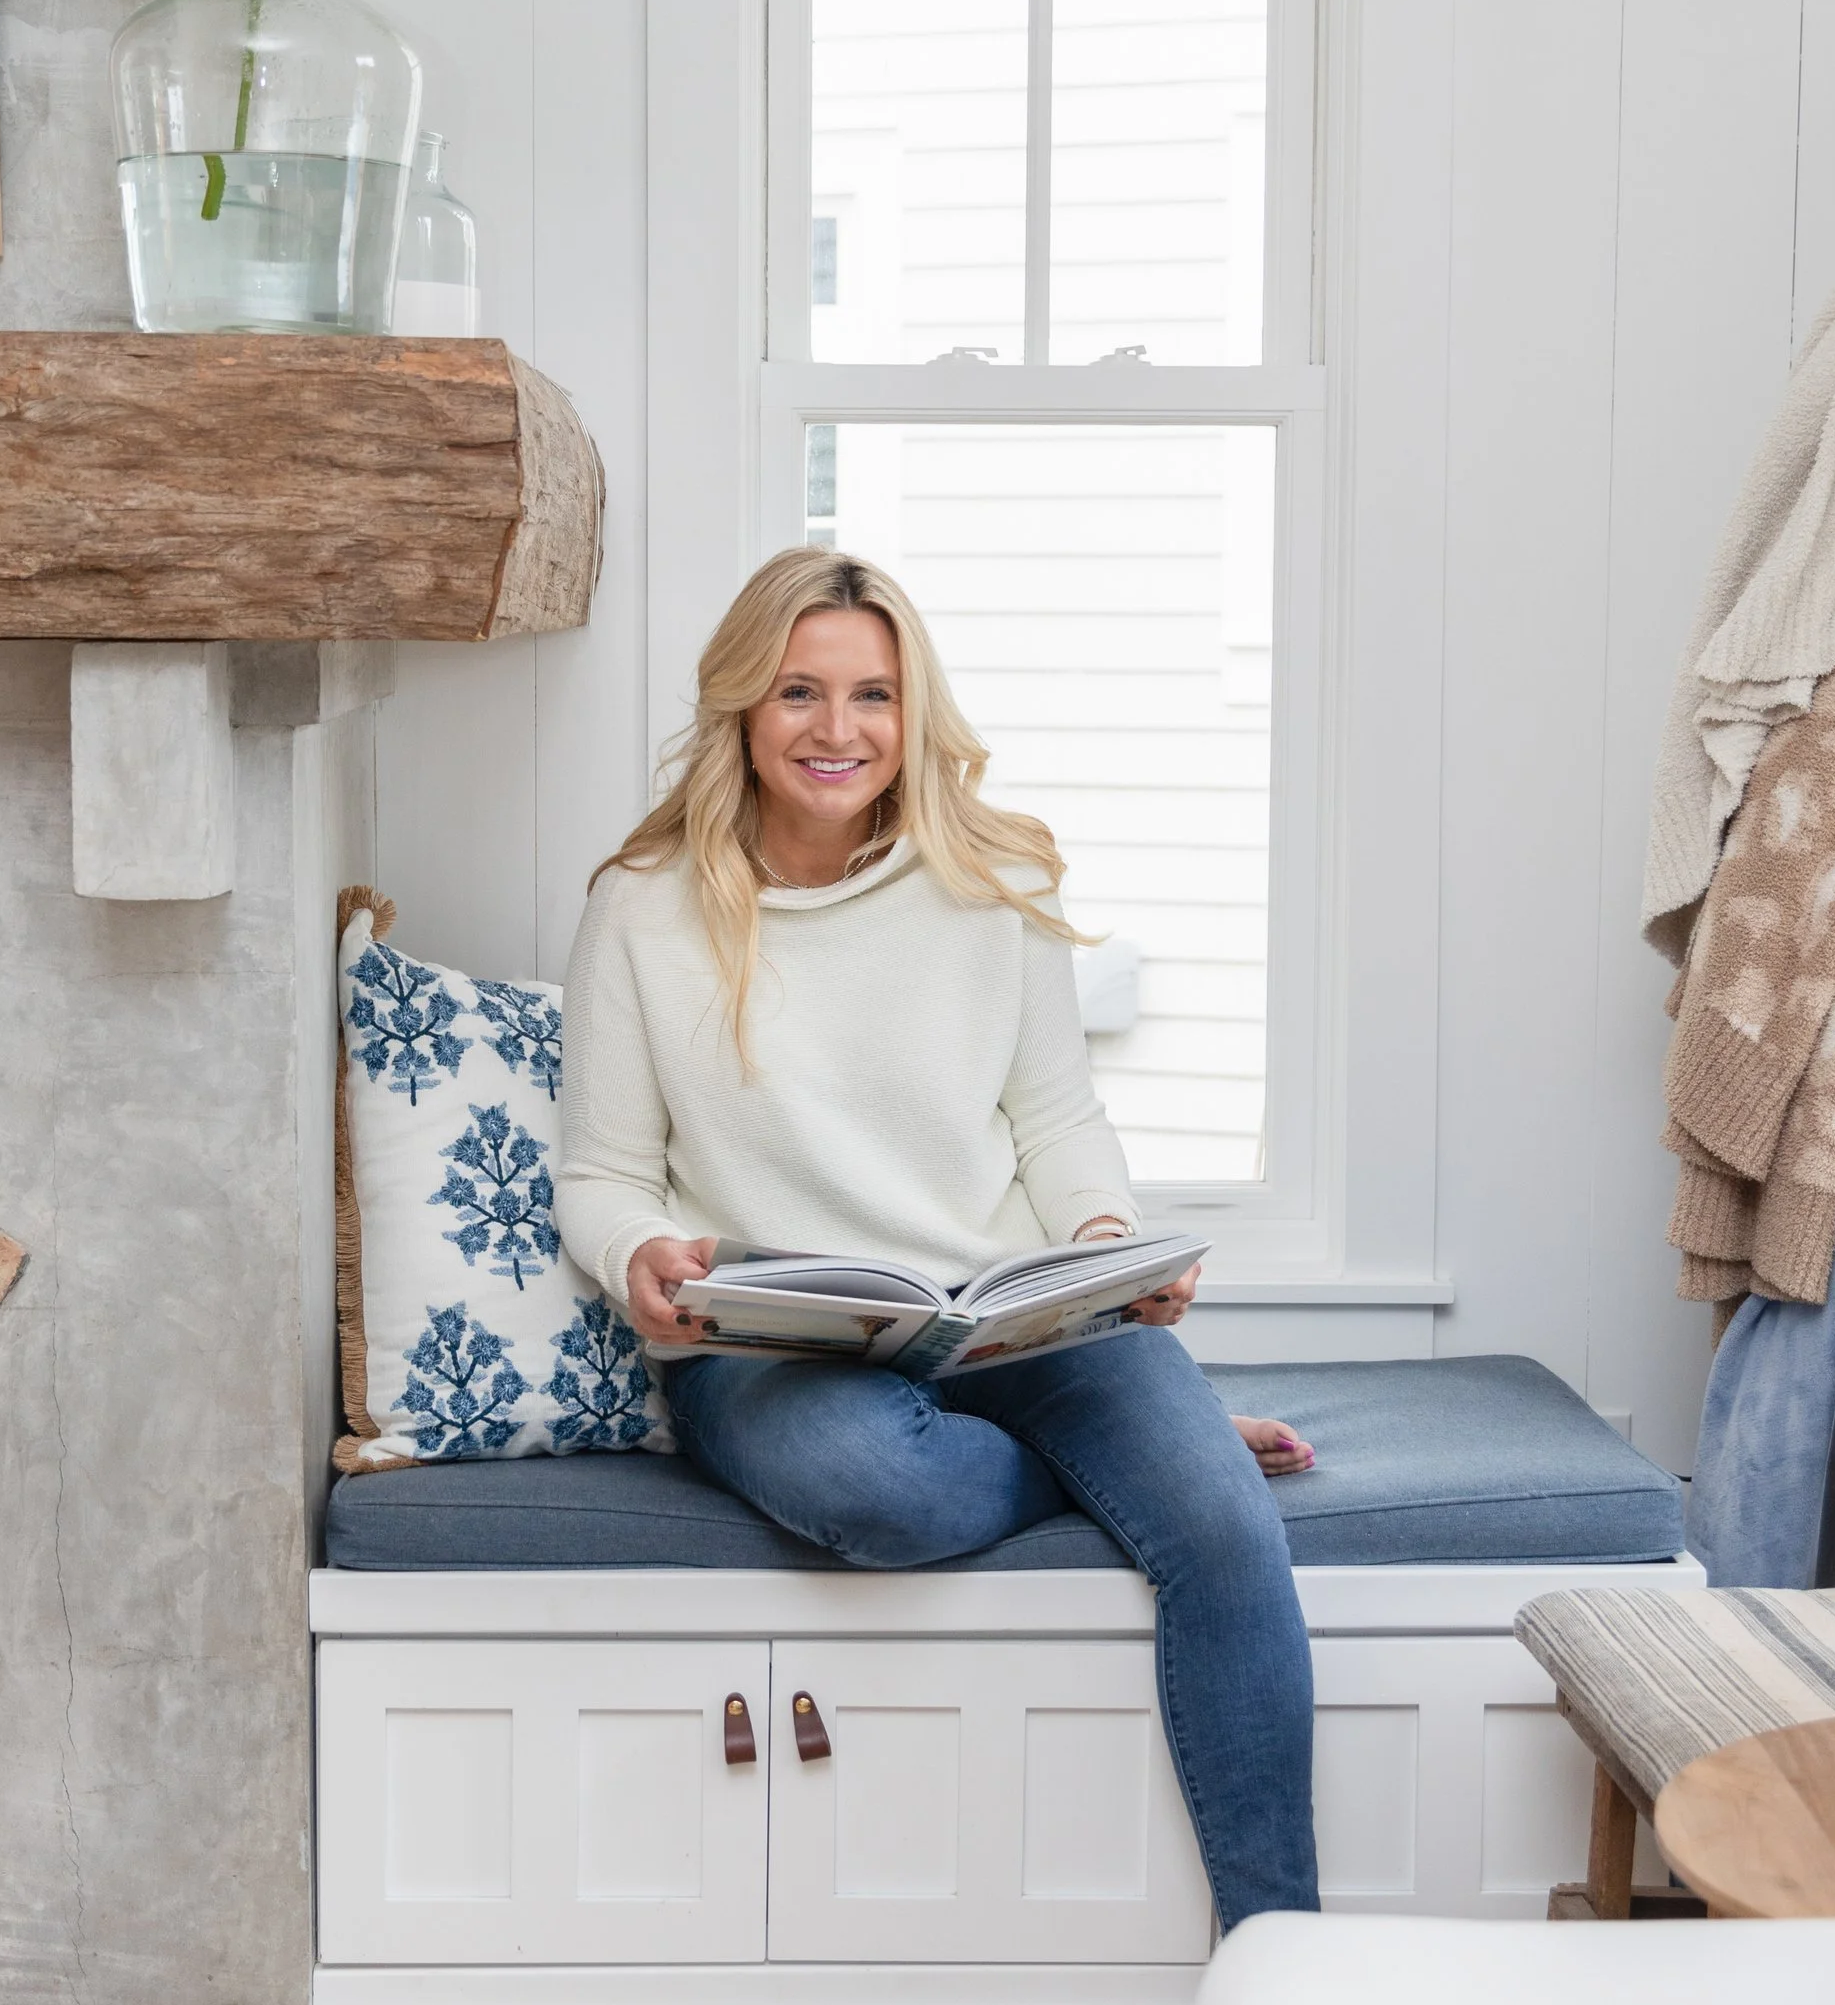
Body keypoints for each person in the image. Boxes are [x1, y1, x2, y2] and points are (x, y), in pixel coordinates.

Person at [556, 548, 1323, 1928]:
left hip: (1006, 1308)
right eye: (799, 690)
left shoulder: (993, 880)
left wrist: (1103, 1237)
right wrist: (640, 1259)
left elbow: (1058, 1114)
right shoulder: (643, 904)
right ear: (741, 703)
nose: (836, 729)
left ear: (915, 713)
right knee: (882, 1491)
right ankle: (1112, 1468)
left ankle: (1284, 1963)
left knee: (1217, 1518)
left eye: (873, 694)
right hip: (777, 1337)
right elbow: (605, 1172)